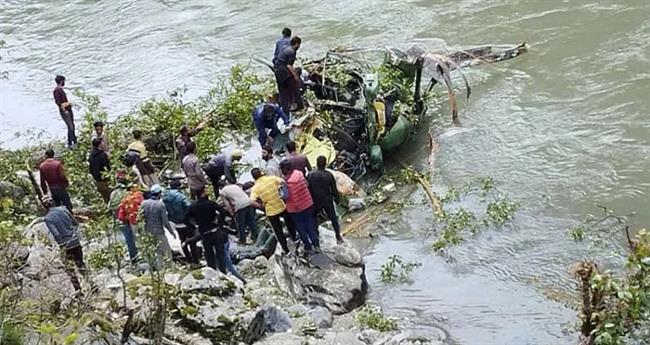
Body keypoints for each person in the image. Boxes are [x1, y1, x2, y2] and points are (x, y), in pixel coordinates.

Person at [185, 187, 245, 283]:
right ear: (203, 193)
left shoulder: (192, 206)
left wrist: (195, 226)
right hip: (215, 231)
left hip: (204, 234)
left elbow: (186, 219)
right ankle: (224, 277)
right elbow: (223, 212)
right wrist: (218, 221)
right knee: (220, 255)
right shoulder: (210, 203)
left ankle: (212, 277)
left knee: (209, 257)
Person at [42, 195, 85, 291]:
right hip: (75, 241)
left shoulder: (48, 218)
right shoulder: (64, 210)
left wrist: (62, 247)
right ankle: (92, 284)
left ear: (44, 206)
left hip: (65, 245)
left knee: (69, 269)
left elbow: (56, 234)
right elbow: (75, 223)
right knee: (81, 264)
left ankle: (78, 290)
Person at [249, 168, 296, 255]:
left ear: (253, 178)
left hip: (270, 211)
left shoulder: (255, 188)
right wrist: (280, 192)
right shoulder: (272, 178)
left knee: (278, 231)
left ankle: (286, 250)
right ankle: (294, 238)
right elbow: (283, 182)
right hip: (281, 205)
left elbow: (251, 201)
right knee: (289, 223)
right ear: (261, 173)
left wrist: (261, 205)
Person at [280, 160, 319, 254]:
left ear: (284, 170)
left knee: (300, 227)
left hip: (295, 208)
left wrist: (280, 192)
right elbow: (307, 184)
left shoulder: (285, 182)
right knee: (310, 224)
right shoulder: (299, 174)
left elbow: (286, 196)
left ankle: (308, 247)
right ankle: (316, 245)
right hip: (307, 203)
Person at [138, 184, 176, 268]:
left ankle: (159, 268)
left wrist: (141, 232)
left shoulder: (144, 203)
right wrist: (172, 232)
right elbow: (165, 222)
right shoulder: (160, 205)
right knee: (166, 252)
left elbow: (139, 219)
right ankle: (170, 269)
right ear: (159, 193)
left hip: (148, 232)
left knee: (156, 251)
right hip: (159, 232)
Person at [163, 180, 199, 264]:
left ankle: (188, 259)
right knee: (191, 241)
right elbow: (188, 206)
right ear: (178, 187)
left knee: (182, 240)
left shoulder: (165, 197)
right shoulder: (180, 196)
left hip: (175, 223)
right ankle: (196, 261)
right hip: (186, 222)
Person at [308, 156, 343, 243]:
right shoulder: (329, 175)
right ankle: (338, 237)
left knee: (314, 219)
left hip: (315, 200)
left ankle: (316, 239)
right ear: (325, 164)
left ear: (316, 164)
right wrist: (337, 199)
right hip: (327, 199)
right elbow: (334, 189)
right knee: (333, 218)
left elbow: (309, 188)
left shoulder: (311, 175)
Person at [274, 36, 302, 115]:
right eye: (299, 44)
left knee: (283, 92)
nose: (299, 47)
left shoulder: (285, 48)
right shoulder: (292, 51)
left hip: (277, 72)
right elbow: (289, 66)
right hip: (284, 73)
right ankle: (300, 106)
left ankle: (285, 111)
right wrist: (296, 76)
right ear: (296, 44)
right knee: (295, 87)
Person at [116, 182, 142, 263]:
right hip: (132, 221)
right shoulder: (136, 196)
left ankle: (134, 259)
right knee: (137, 240)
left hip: (123, 220)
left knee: (130, 242)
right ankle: (142, 258)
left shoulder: (122, 198)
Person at [53, 75, 77, 148]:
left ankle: (72, 142)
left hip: (68, 110)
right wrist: (65, 108)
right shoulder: (57, 90)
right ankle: (71, 143)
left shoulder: (60, 90)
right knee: (70, 127)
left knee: (72, 126)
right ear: (61, 81)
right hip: (65, 111)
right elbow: (58, 103)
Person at [89, 137, 112, 203]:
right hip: (104, 180)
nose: (104, 144)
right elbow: (107, 168)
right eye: (103, 142)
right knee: (110, 198)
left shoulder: (91, 155)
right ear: (100, 144)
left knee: (105, 198)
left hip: (97, 180)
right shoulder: (102, 155)